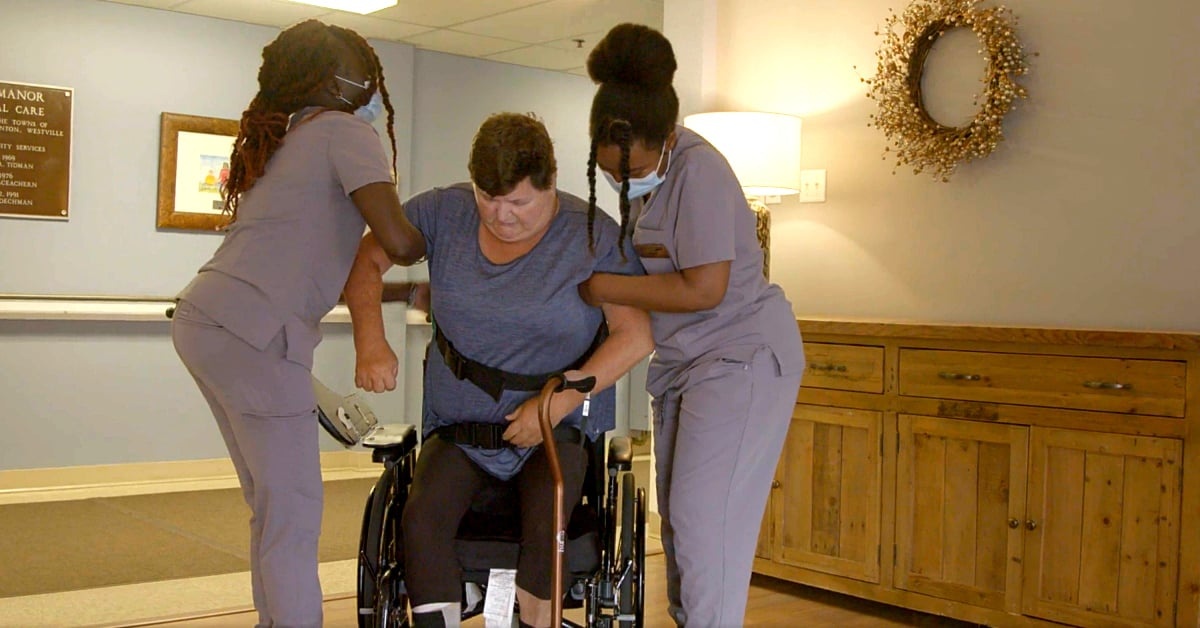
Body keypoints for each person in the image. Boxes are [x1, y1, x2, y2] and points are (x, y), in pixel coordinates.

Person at [345, 112, 653, 628]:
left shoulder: (593, 234)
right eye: (488, 198)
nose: (501, 215)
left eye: (519, 203)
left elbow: (636, 334)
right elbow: (367, 259)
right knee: (420, 522)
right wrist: (370, 340)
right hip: (459, 429)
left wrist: (553, 407)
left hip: (554, 430)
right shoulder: (443, 211)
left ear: (551, 184)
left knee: (547, 524)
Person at [170, 20, 423, 628]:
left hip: (208, 319)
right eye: (363, 74)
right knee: (293, 511)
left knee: (271, 504)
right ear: (334, 81)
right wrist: (442, 229)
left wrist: (395, 288)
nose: (370, 87)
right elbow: (400, 240)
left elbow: (315, 261)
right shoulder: (345, 132)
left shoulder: (292, 134)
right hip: (254, 336)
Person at [578, 23, 807, 627]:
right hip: (685, 362)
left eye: (632, 168)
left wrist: (603, 287)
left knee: (708, 525)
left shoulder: (699, 171)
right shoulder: (644, 180)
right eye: (610, 171)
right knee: (678, 524)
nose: (622, 182)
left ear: (668, 139)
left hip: (740, 358)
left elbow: (705, 288)